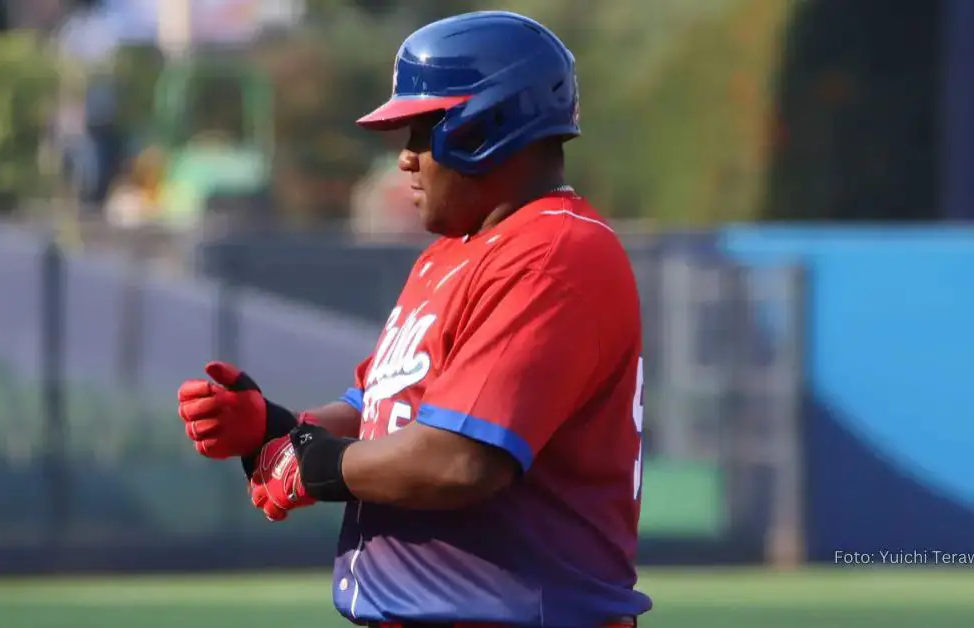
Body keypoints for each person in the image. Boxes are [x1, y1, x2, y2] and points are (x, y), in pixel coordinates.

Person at [177, 10, 651, 627]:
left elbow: (459, 462)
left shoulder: (553, 252)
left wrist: (315, 467)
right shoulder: (451, 255)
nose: (405, 159)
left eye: (422, 131)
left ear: (486, 127)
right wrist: (279, 428)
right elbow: (385, 413)